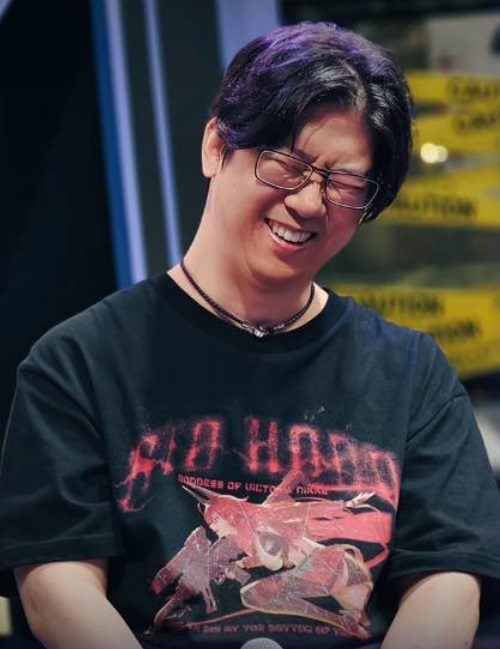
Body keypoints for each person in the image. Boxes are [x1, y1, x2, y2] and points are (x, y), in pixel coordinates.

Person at [0, 20, 499, 649]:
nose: (310, 203)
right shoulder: (79, 363)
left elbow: (448, 581)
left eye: (345, 184)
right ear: (216, 147)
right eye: (287, 165)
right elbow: (57, 586)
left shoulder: (411, 373)